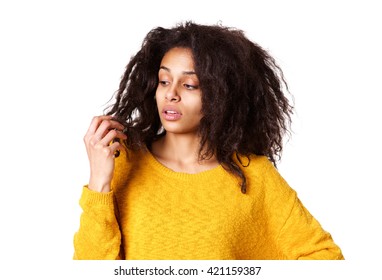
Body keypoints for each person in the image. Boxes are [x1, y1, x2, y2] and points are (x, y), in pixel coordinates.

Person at [73, 21, 344, 260]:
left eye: (190, 85)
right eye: (164, 81)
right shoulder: (121, 162)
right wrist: (99, 180)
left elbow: (324, 258)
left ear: (220, 96)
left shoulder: (255, 176)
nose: (171, 94)